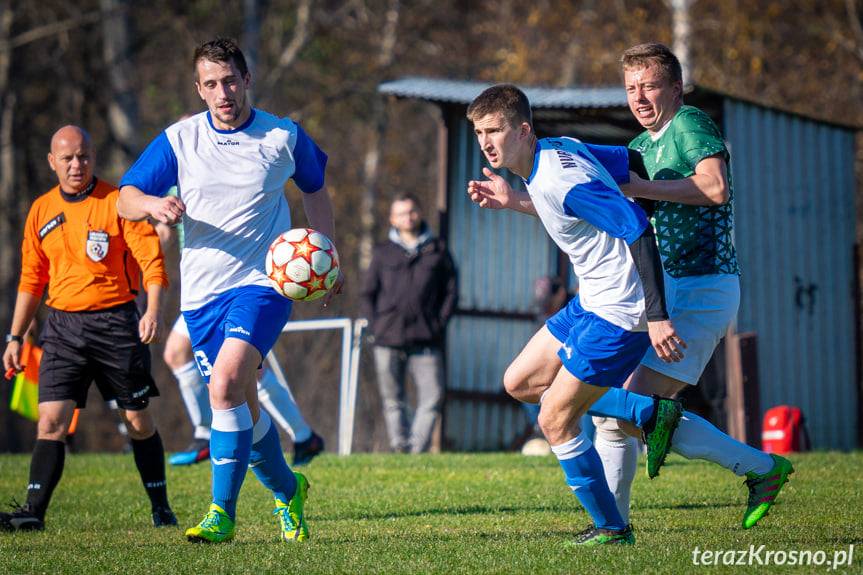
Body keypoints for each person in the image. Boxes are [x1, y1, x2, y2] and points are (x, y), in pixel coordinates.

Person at [117, 37, 340, 544]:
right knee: (244, 408)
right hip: (201, 297)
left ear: (247, 80)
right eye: (212, 84)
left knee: (224, 386)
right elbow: (125, 197)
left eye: (231, 81)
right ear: (199, 89)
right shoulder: (180, 140)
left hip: (263, 285)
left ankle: (221, 513)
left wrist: (327, 253)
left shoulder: (282, 136)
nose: (223, 93)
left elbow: (314, 188)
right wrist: (153, 205)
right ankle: (290, 491)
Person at [466, 85, 686, 545]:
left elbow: (638, 230)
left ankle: (612, 527)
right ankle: (646, 410)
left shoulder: (559, 178)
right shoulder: (557, 149)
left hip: (621, 311)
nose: (485, 142)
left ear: (522, 130)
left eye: (494, 130)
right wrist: (511, 200)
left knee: (554, 419)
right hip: (591, 300)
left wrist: (657, 315)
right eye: (479, 132)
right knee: (520, 383)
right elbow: (630, 161)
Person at [589, 42, 792, 530]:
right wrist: (517, 199)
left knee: (627, 408)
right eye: (631, 88)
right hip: (666, 292)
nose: (639, 98)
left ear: (676, 88)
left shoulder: (690, 123)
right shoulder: (638, 148)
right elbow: (603, 208)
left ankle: (761, 468)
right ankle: (612, 527)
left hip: (702, 288)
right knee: (613, 413)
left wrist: (639, 188)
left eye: (649, 86)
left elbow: (715, 187)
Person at [0, 126, 176, 531]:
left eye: (84, 156)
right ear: (52, 162)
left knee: (137, 421)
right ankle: (33, 513)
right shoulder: (41, 210)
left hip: (116, 324)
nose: (77, 165)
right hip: (63, 328)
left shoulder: (118, 202)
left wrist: (152, 311)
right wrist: (15, 336)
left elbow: (152, 261)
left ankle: (161, 507)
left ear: (92, 157)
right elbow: (31, 279)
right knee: (51, 421)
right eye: (68, 158)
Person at [156, 216, 325, 468]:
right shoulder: (172, 192)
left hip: (237, 283)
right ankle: (302, 437)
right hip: (203, 287)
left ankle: (298, 437)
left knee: (245, 371)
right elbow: (158, 224)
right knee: (182, 355)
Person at [360, 194, 457, 453]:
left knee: (433, 396)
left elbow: (451, 291)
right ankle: (399, 448)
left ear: (420, 213)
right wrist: (375, 327)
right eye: (402, 213)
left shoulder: (438, 249)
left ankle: (416, 451)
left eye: (412, 211)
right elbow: (368, 293)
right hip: (387, 337)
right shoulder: (382, 252)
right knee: (393, 399)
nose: (408, 217)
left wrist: (439, 324)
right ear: (393, 219)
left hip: (426, 338)